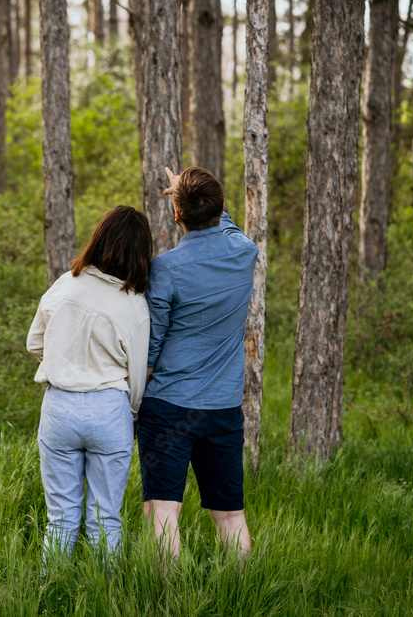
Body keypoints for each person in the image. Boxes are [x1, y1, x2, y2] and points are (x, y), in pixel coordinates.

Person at [136, 166, 259, 565]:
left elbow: (152, 347)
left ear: (176, 215)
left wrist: (136, 398)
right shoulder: (244, 251)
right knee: (231, 515)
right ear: (220, 207)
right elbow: (226, 221)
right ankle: (239, 596)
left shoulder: (165, 268)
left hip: (169, 407)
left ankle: (170, 600)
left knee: (162, 510)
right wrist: (194, 193)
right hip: (223, 409)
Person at [26, 205, 153, 559]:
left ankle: (50, 592)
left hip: (59, 406)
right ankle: (103, 595)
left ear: (98, 239)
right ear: (142, 253)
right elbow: (138, 377)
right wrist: (130, 414)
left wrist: (63, 363)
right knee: (105, 519)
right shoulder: (135, 306)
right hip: (110, 408)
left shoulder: (65, 284)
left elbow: (34, 342)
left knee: (60, 519)